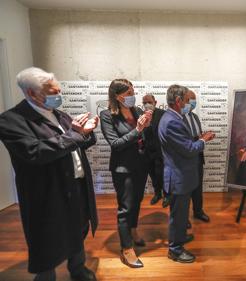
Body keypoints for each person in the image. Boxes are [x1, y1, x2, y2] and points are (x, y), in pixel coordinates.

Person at [0, 67, 99, 281]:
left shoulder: (59, 115)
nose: (58, 96)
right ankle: (45, 276)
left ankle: (77, 268)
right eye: (52, 92)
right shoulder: (11, 120)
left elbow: (76, 142)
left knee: (78, 227)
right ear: (31, 93)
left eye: (58, 91)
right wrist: (76, 134)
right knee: (46, 237)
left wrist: (87, 133)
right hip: (46, 192)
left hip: (76, 186)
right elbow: (35, 152)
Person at [158, 85, 215, 263]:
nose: (188, 103)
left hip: (182, 175)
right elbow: (190, 149)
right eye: (186, 100)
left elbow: (183, 145)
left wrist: (198, 139)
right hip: (178, 177)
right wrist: (203, 140)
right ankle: (175, 250)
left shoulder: (172, 117)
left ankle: (179, 238)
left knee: (182, 215)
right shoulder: (172, 121)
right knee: (178, 216)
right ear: (178, 101)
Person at [99, 79, 152, 268]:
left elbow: (143, 138)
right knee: (125, 208)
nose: (132, 96)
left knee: (136, 201)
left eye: (133, 92)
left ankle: (133, 230)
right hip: (123, 169)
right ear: (117, 95)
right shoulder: (107, 115)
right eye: (128, 93)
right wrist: (138, 130)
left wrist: (147, 127)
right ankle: (126, 249)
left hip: (140, 166)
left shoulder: (136, 110)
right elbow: (116, 144)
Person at [183, 90, 209, 222]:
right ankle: (184, 218)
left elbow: (197, 136)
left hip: (198, 157)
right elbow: (182, 140)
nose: (192, 103)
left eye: (194, 100)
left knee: (198, 187)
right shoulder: (178, 118)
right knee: (186, 189)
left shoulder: (195, 117)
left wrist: (203, 137)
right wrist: (200, 139)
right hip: (185, 160)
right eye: (190, 100)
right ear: (182, 100)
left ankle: (198, 211)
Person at [142, 94, 169, 208]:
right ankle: (157, 194)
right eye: (144, 102)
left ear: (155, 102)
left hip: (161, 152)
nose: (147, 104)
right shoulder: (141, 115)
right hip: (148, 152)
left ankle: (167, 195)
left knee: (162, 175)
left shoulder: (163, 114)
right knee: (153, 175)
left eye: (149, 102)